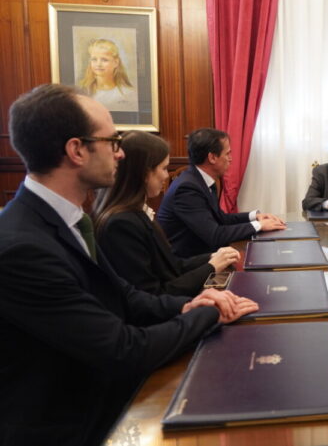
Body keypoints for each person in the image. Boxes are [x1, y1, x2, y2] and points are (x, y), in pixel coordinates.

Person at [0, 84, 258, 445]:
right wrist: (207, 315)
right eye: (112, 141)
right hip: (71, 426)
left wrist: (190, 303)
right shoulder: (21, 247)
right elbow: (122, 350)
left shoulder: (69, 219)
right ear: (76, 150)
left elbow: (127, 297)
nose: (120, 155)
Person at [93, 131, 241, 296]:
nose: (166, 176)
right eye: (163, 168)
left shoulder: (134, 213)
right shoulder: (121, 224)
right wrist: (212, 267)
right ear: (144, 173)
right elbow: (155, 294)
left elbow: (173, 265)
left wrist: (213, 257)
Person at [157, 128, 286, 257]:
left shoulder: (201, 180)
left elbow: (220, 218)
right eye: (227, 154)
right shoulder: (187, 188)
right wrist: (259, 226)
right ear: (212, 157)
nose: (231, 159)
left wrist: (255, 216)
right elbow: (215, 235)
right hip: (190, 264)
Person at [78, 38, 139, 112]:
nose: (98, 64)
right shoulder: (82, 91)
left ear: (116, 62)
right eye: (94, 59)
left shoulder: (128, 94)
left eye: (104, 60)